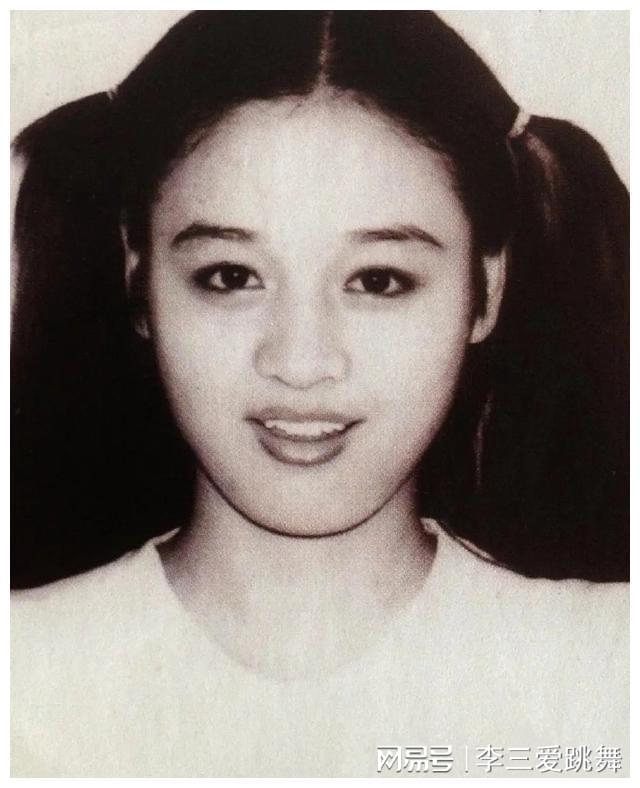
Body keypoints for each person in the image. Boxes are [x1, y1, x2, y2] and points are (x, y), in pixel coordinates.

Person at [11, 11, 629, 778]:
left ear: (485, 291)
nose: (301, 363)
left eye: (379, 281)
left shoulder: (609, 667)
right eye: (231, 276)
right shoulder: (21, 671)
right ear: (138, 279)